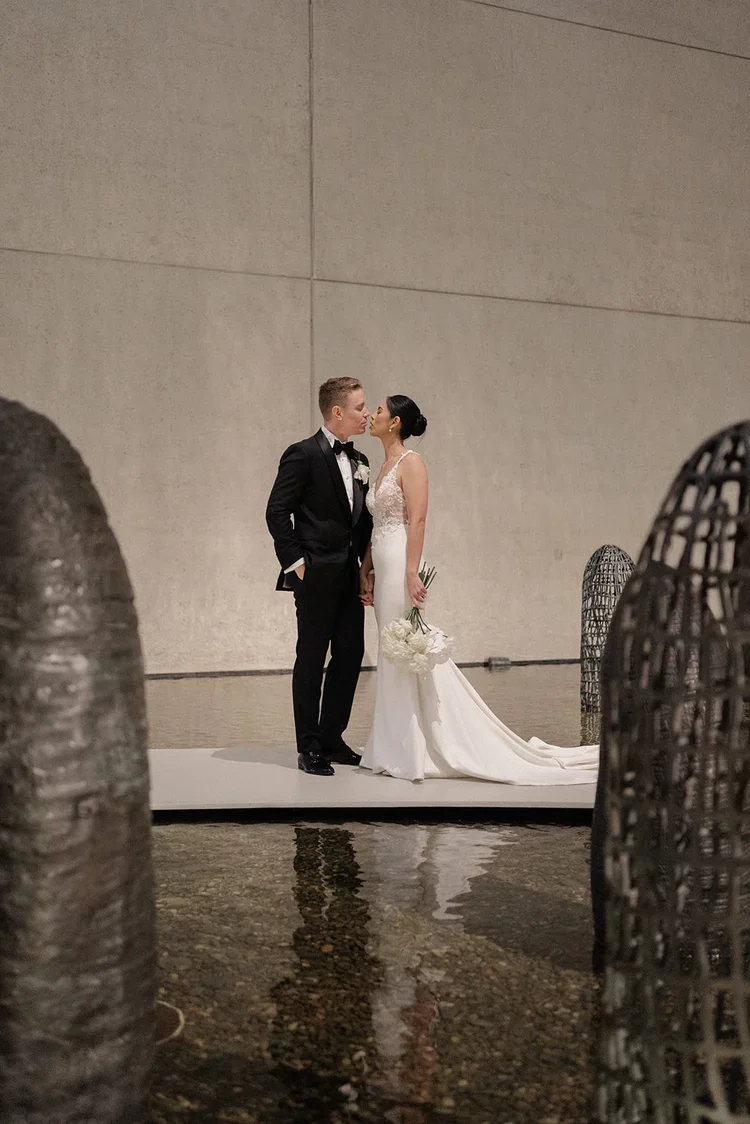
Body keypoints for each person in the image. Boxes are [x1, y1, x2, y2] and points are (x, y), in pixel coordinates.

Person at [359, 394, 599, 783]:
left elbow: (417, 521)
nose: (372, 415)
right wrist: (365, 569)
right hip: (381, 562)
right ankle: (391, 744)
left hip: (401, 561)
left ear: (396, 422)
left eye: (380, 411)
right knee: (392, 649)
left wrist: (410, 572)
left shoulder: (411, 463)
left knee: (403, 646)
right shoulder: (382, 465)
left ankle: (413, 747)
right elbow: (376, 525)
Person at [266, 377, 373, 775]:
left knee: (350, 654)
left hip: (348, 575)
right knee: (311, 658)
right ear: (337, 412)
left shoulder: (360, 460)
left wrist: (366, 567)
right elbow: (277, 512)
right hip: (313, 576)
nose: (366, 414)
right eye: (361, 408)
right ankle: (308, 746)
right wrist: (296, 562)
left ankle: (332, 738)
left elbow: (360, 523)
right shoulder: (302, 454)